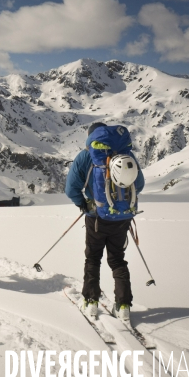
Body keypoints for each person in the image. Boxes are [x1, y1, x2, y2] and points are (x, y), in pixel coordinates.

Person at [65, 122, 145, 321]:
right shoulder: (126, 154)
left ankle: (91, 302)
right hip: (123, 217)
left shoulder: (86, 156)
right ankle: (124, 305)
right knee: (117, 259)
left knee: (93, 258)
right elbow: (140, 183)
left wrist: (84, 204)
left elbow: (71, 189)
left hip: (96, 218)